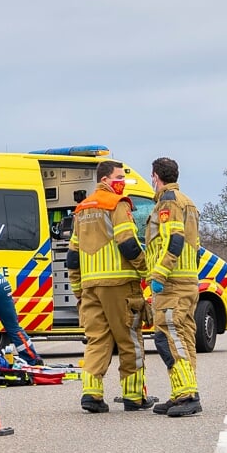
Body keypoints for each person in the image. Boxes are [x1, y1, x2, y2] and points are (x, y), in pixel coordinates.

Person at [72, 160, 149, 412]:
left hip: (90, 286)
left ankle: (91, 395)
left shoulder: (82, 209)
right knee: (129, 340)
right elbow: (127, 242)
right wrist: (146, 268)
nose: (122, 182)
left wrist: (78, 290)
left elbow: (72, 256)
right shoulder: (117, 204)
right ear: (105, 179)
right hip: (119, 285)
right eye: (119, 177)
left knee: (97, 340)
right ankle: (134, 397)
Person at [142, 157, 203, 417]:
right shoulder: (188, 202)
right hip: (187, 280)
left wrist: (160, 273)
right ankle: (182, 393)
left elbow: (174, 240)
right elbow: (195, 247)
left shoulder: (168, 203)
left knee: (169, 337)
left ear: (156, 176)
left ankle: (188, 394)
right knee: (184, 337)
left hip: (172, 283)